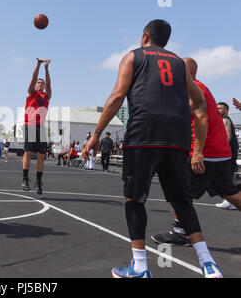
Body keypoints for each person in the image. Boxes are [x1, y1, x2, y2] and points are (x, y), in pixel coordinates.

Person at [83, 19, 221, 278]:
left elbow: (116, 96)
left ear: (145, 36)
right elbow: (200, 104)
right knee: (182, 201)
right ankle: (208, 264)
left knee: (134, 199)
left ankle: (139, 267)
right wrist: (198, 148)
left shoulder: (133, 57)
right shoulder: (179, 64)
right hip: (176, 138)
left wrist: (97, 134)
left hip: (143, 135)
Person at [151, 58, 241, 247]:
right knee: (229, 192)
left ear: (187, 71)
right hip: (219, 152)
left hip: (205, 152)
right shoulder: (199, 87)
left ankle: (181, 232)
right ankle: (182, 230)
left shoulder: (191, 88)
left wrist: (197, 153)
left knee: (178, 191)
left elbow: (201, 118)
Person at [22, 58, 52, 195]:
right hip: (31, 125)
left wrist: (46, 68)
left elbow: (49, 83)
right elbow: (34, 78)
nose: (40, 84)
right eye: (38, 83)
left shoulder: (47, 96)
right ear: (35, 85)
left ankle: (38, 182)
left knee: (41, 155)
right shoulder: (31, 93)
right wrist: (38, 65)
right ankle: (25, 179)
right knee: (28, 153)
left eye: (42, 83)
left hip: (41, 127)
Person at [215, 102, 239, 210]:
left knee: (227, 177)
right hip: (228, 152)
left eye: (220, 108)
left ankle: (231, 201)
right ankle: (228, 201)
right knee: (226, 177)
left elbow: (227, 137)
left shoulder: (225, 120)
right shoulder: (221, 120)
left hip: (228, 152)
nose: (217, 110)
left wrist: (220, 149)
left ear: (226, 110)